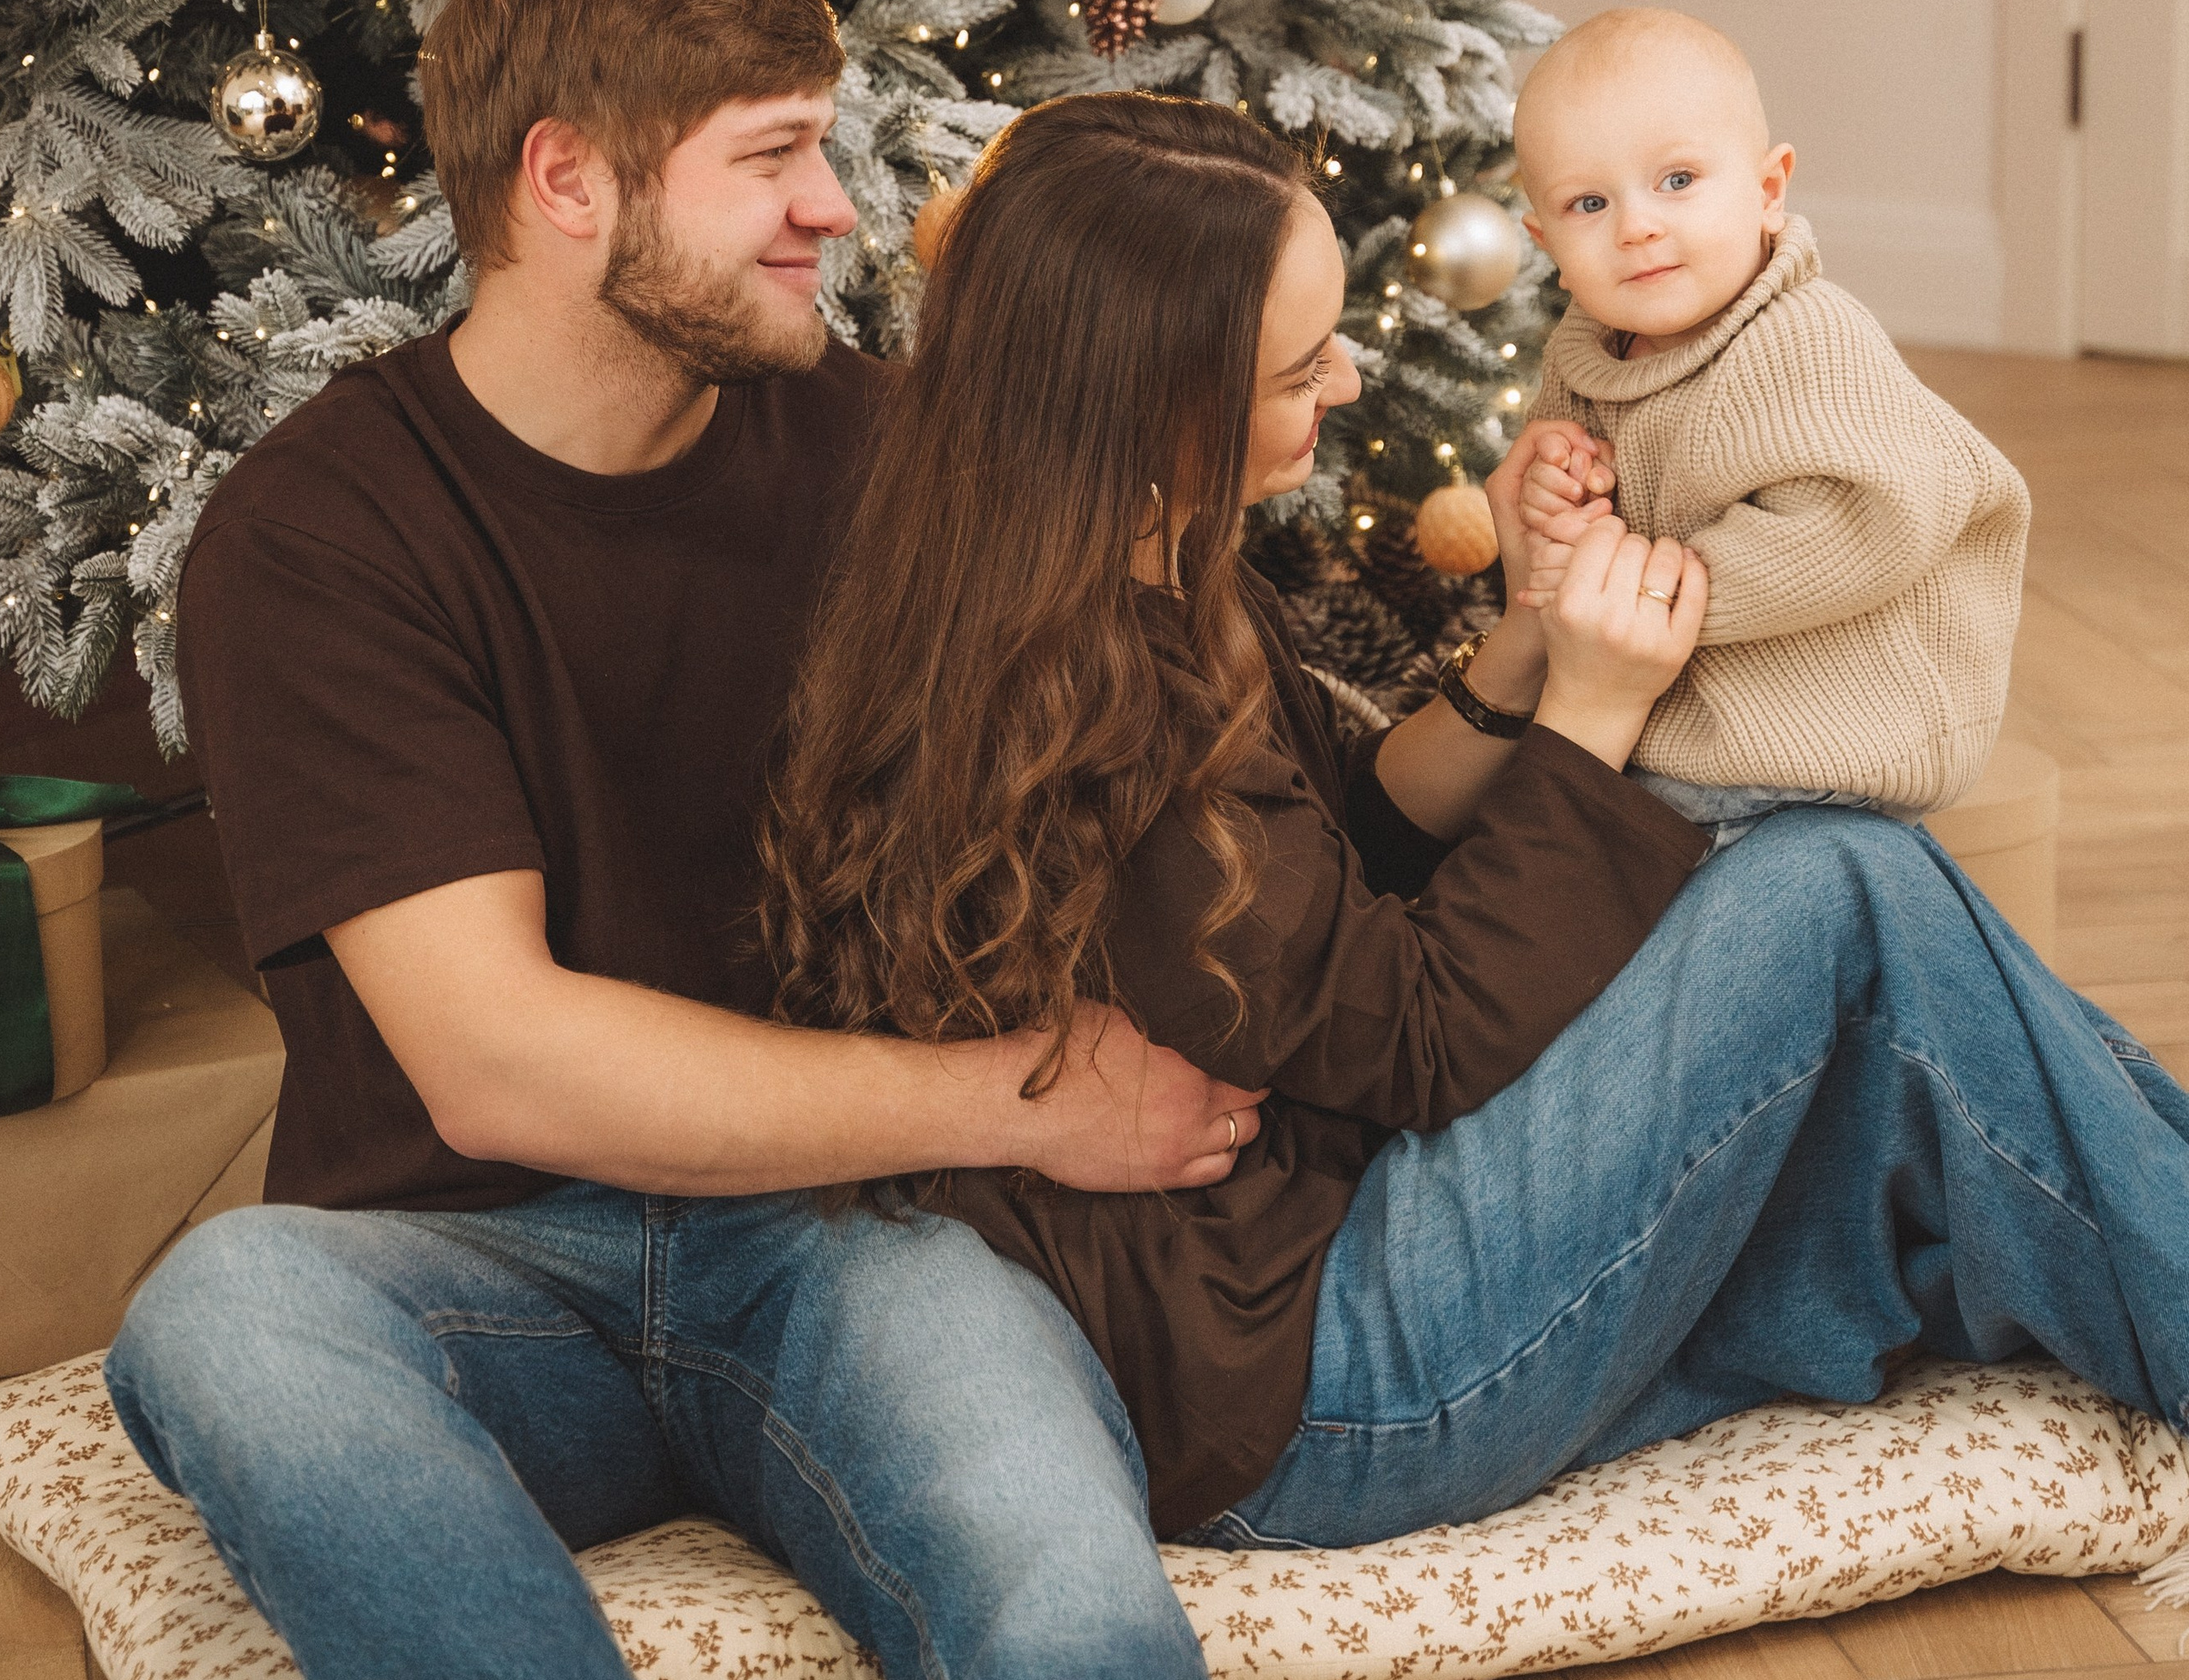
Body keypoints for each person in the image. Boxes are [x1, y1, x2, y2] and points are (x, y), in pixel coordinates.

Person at [103, 0, 1434, 1680]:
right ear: (566, 183)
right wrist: (1012, 1098)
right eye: (773, 155)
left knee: (1021, 1505)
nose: (840, 205)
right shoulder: (320, 530)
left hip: (847, 1236)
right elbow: (496, 1055)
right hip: (473, 1260)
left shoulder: (880, 450)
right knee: (219, 1310)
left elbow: (1201, 695)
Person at [766, 91, 2189, 1575]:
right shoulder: (1088, 695)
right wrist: (1592, 716)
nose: (1353, 375)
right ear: (1152, 406)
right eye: (1302, 362)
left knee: (1875, 983)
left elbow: (1348, 843)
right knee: (1837, 885)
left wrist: (1518, 652)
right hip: (1321, 1386)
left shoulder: (1091, 540)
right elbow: (1428, 1034)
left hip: (1322, 1240)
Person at [1512, 6, 2029, 837]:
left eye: (1676, 180)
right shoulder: (1582, 360)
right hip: (1674, 749)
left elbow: (1863, 521)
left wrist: (1650, 588)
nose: (1637, 225)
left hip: (1822, 751)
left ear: (1767, 190)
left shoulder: (1804, 334)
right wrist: (1556, 497)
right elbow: (1580, 528)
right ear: (1544, 240)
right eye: (1588, 202)